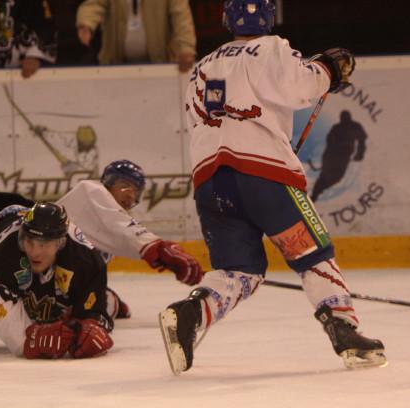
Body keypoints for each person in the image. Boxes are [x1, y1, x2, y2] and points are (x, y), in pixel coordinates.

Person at [158, 0, 386, 375]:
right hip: (265, 178)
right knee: (313, 253)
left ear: (227, 19)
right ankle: (344, 330)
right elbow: (301, 85)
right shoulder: (272, 47)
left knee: (238, 270)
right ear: (269, 16)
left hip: (212, 182)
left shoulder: (203, 65)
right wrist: (328, 68)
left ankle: (190, 313)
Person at [0, 198, 114, 359]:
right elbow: (10, 328)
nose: (35, 252)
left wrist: (92, 324)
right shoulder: (7, 251)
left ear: (60, 243)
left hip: (17, 271)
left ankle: (114, 300)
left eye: (43, 244)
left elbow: (95, 312)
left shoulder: (86, 259)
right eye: (29, 242)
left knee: (56, 316)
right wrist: (33, 340)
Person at [56, 159, 204, 317]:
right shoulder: (91, 191)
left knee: (107, 303)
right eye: (124, 185)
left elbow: (124, 234)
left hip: (61, 283)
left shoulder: (110, 227)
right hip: (41, 276)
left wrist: (161, 258)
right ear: (108, 183)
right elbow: (126, 229)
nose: (130, 195)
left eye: (136, 191)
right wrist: (159, 249)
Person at [76, 0, 197, 72]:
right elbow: (95, 4)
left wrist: (186, 49)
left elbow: (181, 18)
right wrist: (85, 23)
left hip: (160, 65)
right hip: (115, 65)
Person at [311, 110, 367, 202]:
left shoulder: (345, 127)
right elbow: (329, 142)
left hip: (337, 156)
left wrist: (360, 153)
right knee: (331, 176)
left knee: (330, 177)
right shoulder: (343, 127)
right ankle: (316, 193)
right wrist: (359, 154)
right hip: (336, 156)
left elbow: (362, 140)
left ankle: (316, 192)